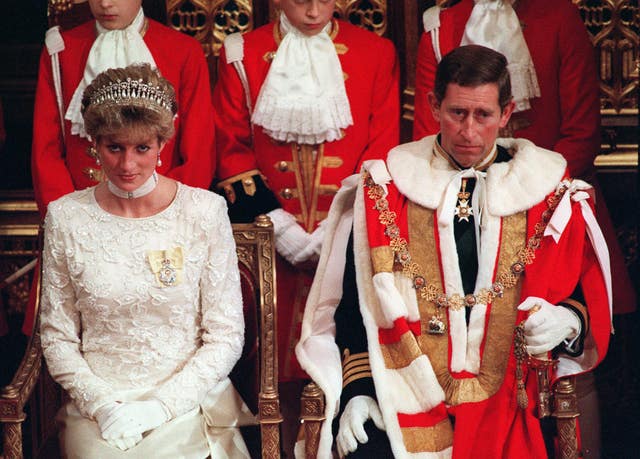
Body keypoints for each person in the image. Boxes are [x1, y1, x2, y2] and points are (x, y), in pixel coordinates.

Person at [296, 45, 612, 458]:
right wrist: (360, 389)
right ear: (433, 106)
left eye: (483, 115)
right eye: (456, 113)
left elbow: (577, 286)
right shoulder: (385, 188)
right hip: (402, 389)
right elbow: (356, 306)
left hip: (512, 397)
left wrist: (567, 319)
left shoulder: (548, 190)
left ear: (506, 112)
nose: (468, 131)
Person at [39, 64, 250, 458]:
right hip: (99, 409)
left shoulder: (204, 211)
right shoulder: (65, 216)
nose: (127, 165)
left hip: (187, 404)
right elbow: (58, 336)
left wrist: (162, 405)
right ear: (94, 143)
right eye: (114, 147)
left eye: (142, 148)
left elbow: (225, 336)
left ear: (162, 143)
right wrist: (101, 405)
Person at [212, 0, 399, 382]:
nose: (314, 12)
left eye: (325, 0)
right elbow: (229, 147)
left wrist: (340, 227)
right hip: (267, 246)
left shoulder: (377, 53)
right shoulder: (240, 54)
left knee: (344, 366)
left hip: (349, 242)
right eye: (301, 0)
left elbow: (381, 150)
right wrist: (279, 228)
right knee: (265, 369)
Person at [413, 0, 636, 315]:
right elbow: (427, 137)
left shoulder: (560, 18)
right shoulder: (440, 27)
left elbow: (582, 134)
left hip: (550, 207)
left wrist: (529, 199)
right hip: (462, 208)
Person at [26, 0, 216, 335]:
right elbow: (46, 151)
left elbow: (198, 153)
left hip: (162, 229)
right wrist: (76, 227)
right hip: (83, 231)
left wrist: (163, 220)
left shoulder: (183, 50)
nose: (105, 3)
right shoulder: (61, 50)